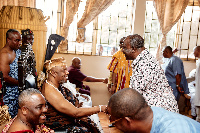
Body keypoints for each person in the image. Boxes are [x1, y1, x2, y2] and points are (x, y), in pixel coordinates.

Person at [41, 57, 107, 132]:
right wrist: (100, 108)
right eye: (64, 70)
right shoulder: (50, 91)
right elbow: (75, 113)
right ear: (54, 73)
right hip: (59, 126)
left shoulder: (56, 85)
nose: (67, 72)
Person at [122, 34, 178, 113]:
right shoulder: (145, 58)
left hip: (162, 112)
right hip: (160, 110)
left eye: (124, 47)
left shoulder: (144, 63)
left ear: (133, 49)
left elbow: (134, 96)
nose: (122, 50)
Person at [107, 88, 200, 133]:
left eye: (113, 121)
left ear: (127, 121)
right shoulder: (152, 112)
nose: (112, 124)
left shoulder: (174, 130)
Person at [0, 29, 22, 118]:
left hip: (18, 92)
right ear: (8, 40)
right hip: (9, 95)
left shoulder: (17, 51)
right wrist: (20, 83)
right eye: (17, 40)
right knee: (9, 121)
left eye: (20, 40)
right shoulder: (4, 54)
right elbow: (4, 77)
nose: (19, 43)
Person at [192, 46, 200, 122]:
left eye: (194, 51)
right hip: (198, 91)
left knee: (199, 117)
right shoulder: (198, 62)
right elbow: (195, 76)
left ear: (198, 51)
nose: (193, 53)